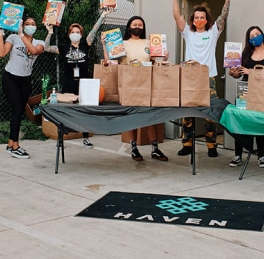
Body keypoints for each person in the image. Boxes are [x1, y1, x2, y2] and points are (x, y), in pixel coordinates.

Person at [171, 0, 232, 157]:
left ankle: (211, 146)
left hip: (209, 78)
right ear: (192, 19)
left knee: (209, 114)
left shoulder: (213, 32)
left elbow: (224, 15)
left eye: (202, 17)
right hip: (190, 78)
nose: (199, 20)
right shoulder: (188, 33)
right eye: (196, 17)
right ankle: (187, 144)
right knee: (187, 113)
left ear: (207, 20)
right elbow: (176, 16)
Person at [101, 15, 168, 162]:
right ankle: (133, 147)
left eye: (140, 25)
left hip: (147, 83)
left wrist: (164, 59)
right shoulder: (122, 43)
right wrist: (105, 46)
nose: (137, 27)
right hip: (128, 83)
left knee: (150, 116)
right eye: (134, 24)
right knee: (130, 116)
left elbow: (154, 62)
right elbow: (110, 61)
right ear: (129, 27)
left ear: (143, 28)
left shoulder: (149, 42)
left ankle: (154, 149)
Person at [45, 8, 112, 148]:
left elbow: (94, 30)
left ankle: (86, 138)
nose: (75, 34)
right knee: (65, 110)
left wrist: (103, 15)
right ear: (69, 34)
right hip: (69, 83)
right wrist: (49, 33)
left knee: (85, 110)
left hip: (84, 83)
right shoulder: (63, 48)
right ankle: (61, 138)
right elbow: (46, 48)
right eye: (72, 32)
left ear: (81, 34)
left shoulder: (85, 44)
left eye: (77, 32)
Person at [228, 26, 264, 168]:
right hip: (243, 91)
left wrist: (252, 72)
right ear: (248, 40)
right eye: (251, 36)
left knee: (259, 123)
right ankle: (238, 154)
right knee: (239, 122)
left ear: (262, 34)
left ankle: (261, 155)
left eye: (257, 34)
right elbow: (238, 74)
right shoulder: (245, 53)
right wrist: (233, 72)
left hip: (262, 92)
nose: (255, 37)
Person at [0, 16, 45, 159]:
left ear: (36, 27)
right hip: (10, 77)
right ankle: (16, 146)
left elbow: (33, 50)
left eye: (32, 24)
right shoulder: (13, 37)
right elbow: (2, 53)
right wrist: (0, 34)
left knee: (18, 112)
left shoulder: (39, 42)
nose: (30, 26)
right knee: (17, 109)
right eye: (27, 24)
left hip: (26, 80)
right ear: (22, 25)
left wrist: (21, 34)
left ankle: (10, 144)